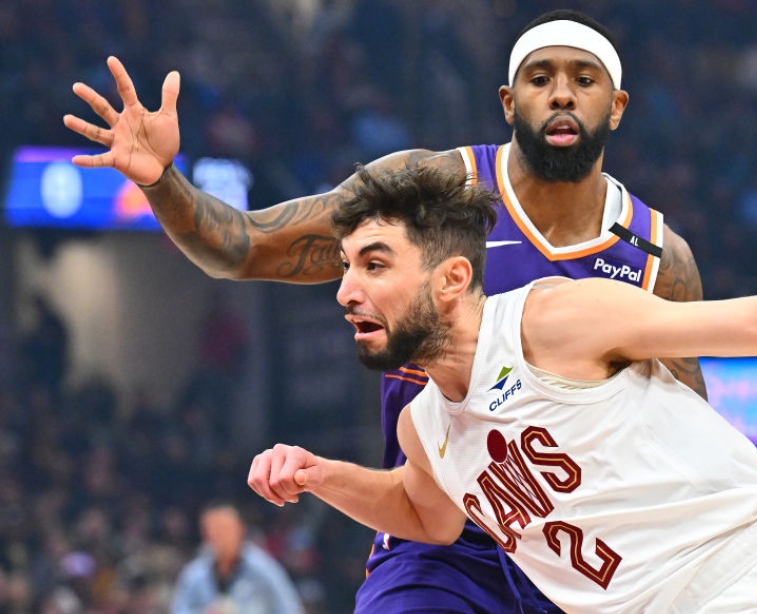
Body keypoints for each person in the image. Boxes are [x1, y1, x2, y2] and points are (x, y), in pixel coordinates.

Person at [64, 9, 705, 612]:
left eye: (583, 79)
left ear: (616, 107)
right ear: (509, 102)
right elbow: (243, 247)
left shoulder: (657, 260)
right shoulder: (426, 193)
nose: (561, 95)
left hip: (586, 561)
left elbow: (690, 446)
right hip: (439, 542)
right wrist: (160, 181)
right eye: (541, 78)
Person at [246, 164, 757, 613]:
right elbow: (424, 513)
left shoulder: (552, 319)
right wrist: (321, 477)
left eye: (373, 264)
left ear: (451, 279)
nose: (346, 289)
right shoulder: (425, 427)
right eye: (345, 266)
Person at [171, 501, 303, 614]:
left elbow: (290, 609)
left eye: (224, 528)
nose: (219, 535)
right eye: (213, 529)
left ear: (240, 529)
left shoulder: (264, 570)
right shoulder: (194, 575)